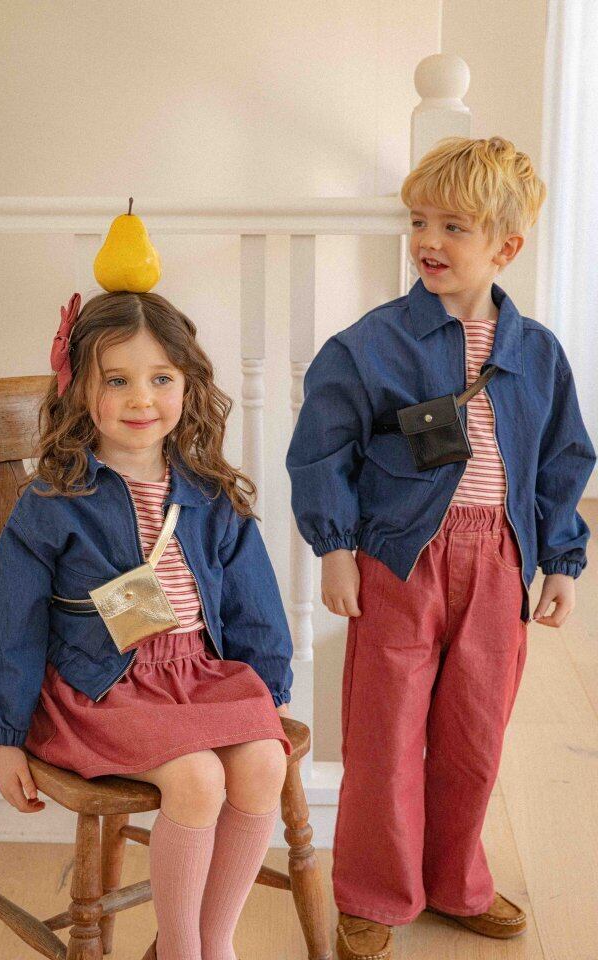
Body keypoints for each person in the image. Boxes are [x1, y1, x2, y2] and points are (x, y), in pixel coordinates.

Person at [286, 136, 595, 960]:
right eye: (419, 221)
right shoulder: (368, 346)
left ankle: (456, 881)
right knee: (384, 736)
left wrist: (562, 560)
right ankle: (373, 892)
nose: (428, 240)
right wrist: (336, 547)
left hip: (499, 562)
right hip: (400, 561)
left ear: (505, 247)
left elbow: (563, 461)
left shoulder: (537, 354)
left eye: (454, 227)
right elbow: (322, 451)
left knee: (474, 734)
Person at [0, 289, 294, 960]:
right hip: (100, 686)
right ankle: (180, 949)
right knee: (197, 780)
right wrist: (3, 736)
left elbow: (253, 602)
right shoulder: (54, 502)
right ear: (80, 389)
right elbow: (10, 623)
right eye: (117, 380)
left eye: (161, 378)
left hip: (197, 674)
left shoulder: (209, 493)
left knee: (265, 760)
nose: (142, 399)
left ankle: (215, 941)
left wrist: (268, 689)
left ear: (187, 384)